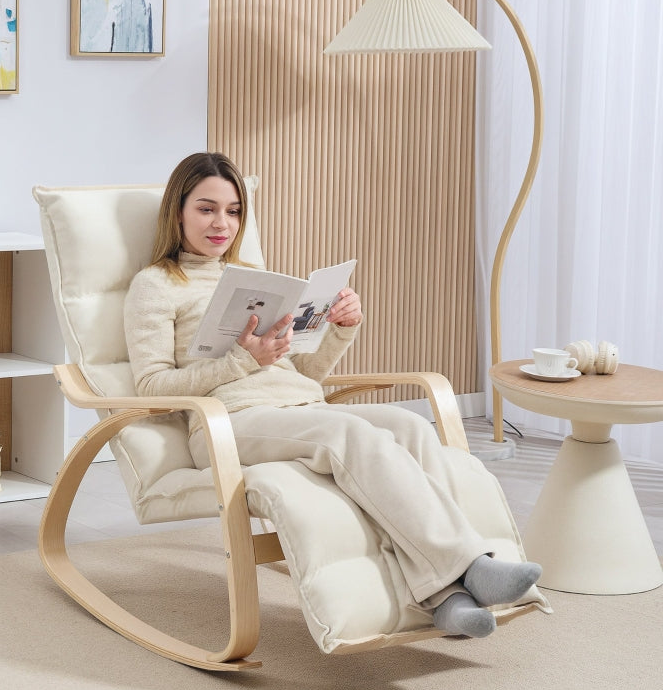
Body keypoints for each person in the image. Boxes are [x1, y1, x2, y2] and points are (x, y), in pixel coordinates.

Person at [124, 151, 541, 638]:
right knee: (347, 432)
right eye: (207, 208)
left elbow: (304, 373)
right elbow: (150, 388)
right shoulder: (155, 285)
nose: (223, 223)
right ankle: (469, 566)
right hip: (230, 422)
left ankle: (446, 597)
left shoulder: (252, 278)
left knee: (408, 426)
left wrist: (341, 329)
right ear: (178, 211)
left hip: (298, 406)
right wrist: (242, 361)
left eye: (234, 210)